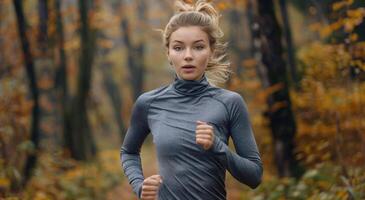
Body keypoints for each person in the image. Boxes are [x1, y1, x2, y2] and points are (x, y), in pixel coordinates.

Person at [120, 0, 263, 199]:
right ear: (168, 53)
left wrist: (218, 147)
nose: (188, 56)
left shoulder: (230, 103)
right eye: (178, 48)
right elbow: (128, 152)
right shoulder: (148, 103)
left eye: (198, 47)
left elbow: (254, 176)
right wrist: (139, 186)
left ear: (211, 51)